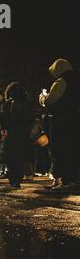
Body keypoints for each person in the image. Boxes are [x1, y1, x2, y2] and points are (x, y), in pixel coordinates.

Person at [40, 59, 80, 191]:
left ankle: (65, 180)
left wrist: (43, 97)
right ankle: (71, 178)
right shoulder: (76, 80)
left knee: (60, 149)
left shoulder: (61, 82)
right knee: (72, 148)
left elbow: (50, 101)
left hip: (60, 120)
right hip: (74, 119)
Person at [1, 82, 34, 189]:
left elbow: (4, 118)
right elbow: (31, 118)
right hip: (24, 132)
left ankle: (13, 180)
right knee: (20, 157)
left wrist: (3, 129)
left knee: (11, 157)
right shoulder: (27, 103)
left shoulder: (8, 103)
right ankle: (18, 179)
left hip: (12, 132)